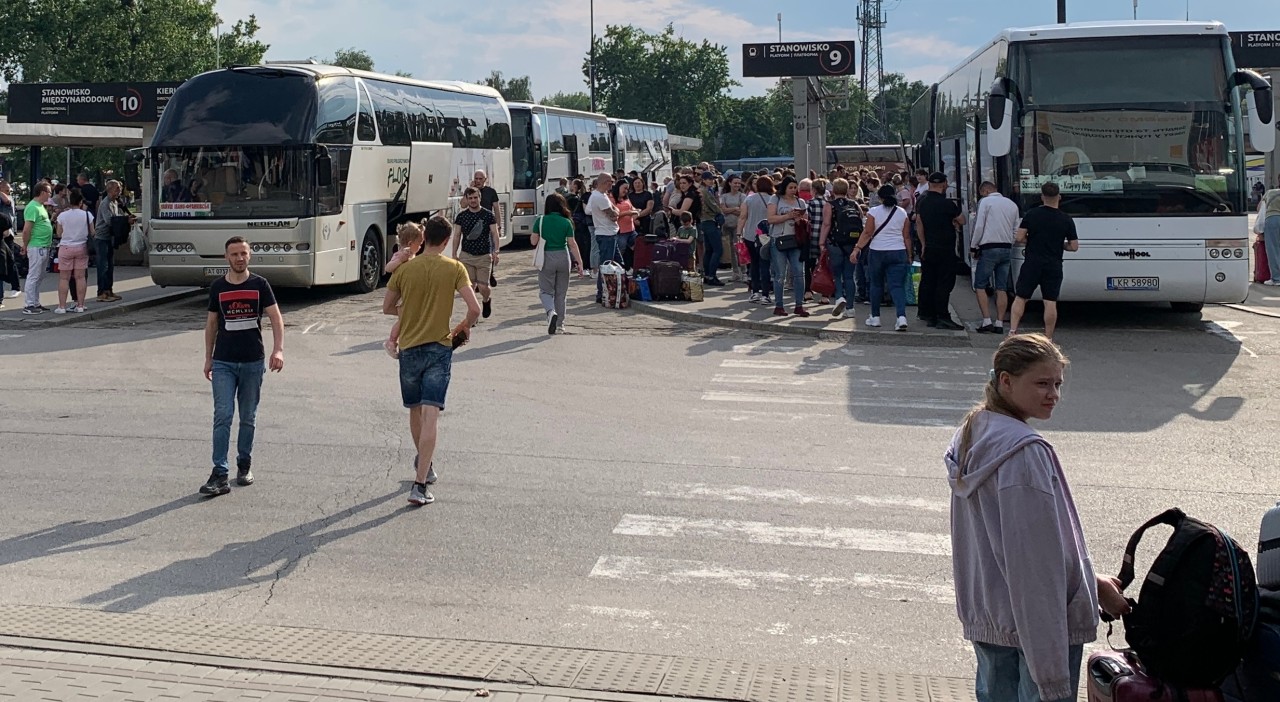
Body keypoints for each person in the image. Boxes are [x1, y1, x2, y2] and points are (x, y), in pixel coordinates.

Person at [947, 333, 1130, 702]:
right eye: (1042, 383)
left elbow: (1014, 544)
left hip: (993, 617)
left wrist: (1090, 581)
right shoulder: (1024, 453)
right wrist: (1051, 678)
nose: (1053, 395)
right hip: (1036, 628)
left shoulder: (973, 433)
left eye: (1058, 384)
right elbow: (1034, 565)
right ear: (1006, 380)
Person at [383, 216, 482, 506]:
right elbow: (474, 308)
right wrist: (463, 326)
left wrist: (408, 313)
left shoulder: (405, 269)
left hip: (410, 348)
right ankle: (420, 483)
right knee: (431, 414)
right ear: (448, 239)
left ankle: (424, 465)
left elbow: (387, 306)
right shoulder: (454, 268)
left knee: (415, 411)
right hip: (439, 346)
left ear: (424, 238)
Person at [200, 236, 285, 497]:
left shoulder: (260, 284)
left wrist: (278, 349)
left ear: (250, 256)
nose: (239, 258)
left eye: (243, 254)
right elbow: (212, 324)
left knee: (247, 417)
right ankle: (219, 473)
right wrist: (208, 357)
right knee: (223, 415)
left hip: (252, 361)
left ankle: (244, 464)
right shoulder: (218, 287)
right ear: (226, 257)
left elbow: (275, 317)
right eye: (234, 254)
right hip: (224, 362)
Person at [1010, 182, 1079, 339]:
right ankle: (1048, 337)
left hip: (1032, 262)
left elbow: (1019, 237)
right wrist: (1059, 245)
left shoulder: (1032, 214)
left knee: (1021, 297)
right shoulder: (1066, 219)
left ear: (1042, 197)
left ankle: (1012, 331)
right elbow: (1074, 246)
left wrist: (1033, 240)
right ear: (1059, 197)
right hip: (1054, 264)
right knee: (1050, 301)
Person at [851, 184, 912, 331]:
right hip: (898, 251)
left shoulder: (874, 212)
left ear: (880, 198)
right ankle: (901, 317)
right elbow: (907, 237)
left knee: (876, 285)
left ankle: (875, 317)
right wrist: (909, 255)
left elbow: (867, 233)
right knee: (897, 286)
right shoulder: (902, 213)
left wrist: (857, 249)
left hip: (877, 251)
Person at [915, 172, 966, 330]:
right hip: (945, 248)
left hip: (928, 247)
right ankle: (942, 316)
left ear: (929, 184)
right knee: (944, 283)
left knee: (928, 280)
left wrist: (923, 244)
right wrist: (953, 222)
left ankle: (927, 313)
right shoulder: (948, 204)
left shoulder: (922, 201)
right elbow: (962, 220)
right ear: (944, 184)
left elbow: (919, 223)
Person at [970, 182, 1021, 334]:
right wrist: (1010, 243)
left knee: (980, 284)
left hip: (989, 247)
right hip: (1006, 248)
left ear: (985, 190)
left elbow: (979, 226)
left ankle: (986, 320)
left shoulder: (985, 202)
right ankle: (999, 322)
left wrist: (973, 246)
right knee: (1001, 287)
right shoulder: (1012, 205)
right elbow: (1015, 229)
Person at [532, 193, 584, 334]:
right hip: (563, 256)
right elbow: (572, 244)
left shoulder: (541, 220)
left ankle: (550, 312)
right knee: (561, 293)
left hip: (546, 257)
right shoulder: (566, 222)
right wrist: (579, 262)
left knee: (545, 291)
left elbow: (533, 241)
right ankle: (560, 324)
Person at [451, 186, 499, 319]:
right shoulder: (461, 216)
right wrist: (454, 253)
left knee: (483, 287)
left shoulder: (488, 215)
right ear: (466, 199)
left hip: (484, 255)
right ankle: (474, 313)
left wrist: (496, 250)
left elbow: (495, 234)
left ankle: (486, 300)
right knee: (470, 288)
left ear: (479, 198)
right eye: (470, 198)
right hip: (466, 255)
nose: (473, 200)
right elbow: (456, 236)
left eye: (475, 198)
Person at [766, 176, 809, 318]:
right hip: (779, 239)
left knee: (799, 272)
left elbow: (807, 220)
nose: (793, 190)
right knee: (780, 274)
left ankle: (799, 305)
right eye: (790, 187)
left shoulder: (800, 201)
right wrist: (787, 216)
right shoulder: (775, 199)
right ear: (784, 187)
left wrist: (799, 219)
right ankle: (779, 305)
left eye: (794, 187)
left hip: (796, 240)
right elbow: (771, 219)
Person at [819, 178, 862, 319]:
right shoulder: (854, 204)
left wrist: (821, 242)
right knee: (849, 276)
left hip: (835, 243)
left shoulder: (829, 205)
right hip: (852, 243)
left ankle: (839, 297)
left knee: (837, 274)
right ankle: (850, 308)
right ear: (847, 189)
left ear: (833, 190)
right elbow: (861, 221)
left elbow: (826, 224)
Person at [383, 221, 426, 357]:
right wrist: (400, 260)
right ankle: (391, 341)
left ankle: (400, 339)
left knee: (406, 318)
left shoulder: (411, 255)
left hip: (407, 291)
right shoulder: (403, 254)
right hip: (402, 292)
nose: (420, 247)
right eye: (419, 244)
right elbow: (388, 268)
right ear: (409, 244)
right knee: (403, 319)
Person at [53, 191, 93, 314]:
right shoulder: (87, 215)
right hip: (81, 247)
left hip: (65, 247)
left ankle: (62, 306)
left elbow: (59, 233)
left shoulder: (63, 216)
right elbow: (92, 232)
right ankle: (80, 305)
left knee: (64, 278)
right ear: (81, 202)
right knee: (80, 277)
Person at [18, 183, 54, 315]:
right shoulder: (33, 207)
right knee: (34, 275)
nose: (50, 195)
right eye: (49, 192)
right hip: (36, 245)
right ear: (42, 192)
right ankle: (29, 304)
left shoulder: (40, 207)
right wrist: (25, 245)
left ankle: (35, 302)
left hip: (43, 245)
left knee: (39, 276)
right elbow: (27, 229)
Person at [738, 176, 774, 306]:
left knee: (754, 264)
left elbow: (743, 217)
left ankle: (755, 291)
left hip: (750, 235)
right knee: (765, 264)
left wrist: (739, 232)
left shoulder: (749, 199)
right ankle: (766, 294)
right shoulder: (773, 199)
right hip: (766, 236)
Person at [93, 180, 131, 303]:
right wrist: (125, 221)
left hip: (109, 237)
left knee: (110, 266)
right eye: (117, 189)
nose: (119, 191)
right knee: (103, 266)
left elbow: (117, 217)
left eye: (119, 189)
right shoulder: (105, 203)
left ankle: (109, 290)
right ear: (109, 190)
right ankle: (101, 292)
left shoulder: (115, 202)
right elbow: (110, 220)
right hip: (102, 238)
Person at [588, 173, 621, 304]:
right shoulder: (600, 197)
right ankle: (601, 292)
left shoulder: (600, 195)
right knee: (606, 264)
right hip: (606, 233)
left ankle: (617, 288)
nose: (612, 185)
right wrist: (615, 210)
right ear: (605, 182)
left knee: (620, 263)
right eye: (610, 182)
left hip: (609, 232)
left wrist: (615, 209)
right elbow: (613, 215)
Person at [472, 170, 501, 287]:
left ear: (485, 179)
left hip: (488, 225)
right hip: (473, 226)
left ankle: (490, 273)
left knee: (490, 250)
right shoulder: (471, 192)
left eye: (480, 179)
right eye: (476, 178)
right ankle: (479, 278)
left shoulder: (491, 192)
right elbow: (463, 204)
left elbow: (497, 209)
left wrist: (498, 225)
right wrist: (470, 189)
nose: (478, 181)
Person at [720, 175, 745, 283]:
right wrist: (734, 209)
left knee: (739, 249)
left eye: (739, 183)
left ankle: (744, 272)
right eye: (735, 183)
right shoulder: (724, 196)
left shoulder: (742, 196)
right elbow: (723, 209)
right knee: (731, 249)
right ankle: (735, 272)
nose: (737, 185)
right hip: (727, 225)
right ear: (729, 183)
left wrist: (729, 210)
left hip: (738, 225)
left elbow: (742, 211)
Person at [613, 180, 639, 270]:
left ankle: (631, 267)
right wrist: (629, 213)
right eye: (624, 188)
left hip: (631, 229)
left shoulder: (626, 198)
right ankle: (618, 269)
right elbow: (615, 215)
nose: (626, 191)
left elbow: (632, 208)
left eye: (627, 189)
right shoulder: (612, 199)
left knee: (638, 247)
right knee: (620, 251)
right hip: (621, 231)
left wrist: (636, 212)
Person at [1259, 174, 1280, 285]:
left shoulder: (1271, 192)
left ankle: (1276, 279)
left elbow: (1259, 208)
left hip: (1273, 219)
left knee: (1273, 249)